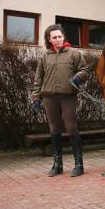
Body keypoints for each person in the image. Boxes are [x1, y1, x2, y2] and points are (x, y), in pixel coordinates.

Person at [32, 24, 89, 177]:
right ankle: (57, 165)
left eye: (59, 36)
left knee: (71, 128)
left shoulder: (73, 53)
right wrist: (36, 97)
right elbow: (38, 78)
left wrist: (78, 77)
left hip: (68, 96)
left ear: (63, 37)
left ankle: (79, 165)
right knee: (54, 129)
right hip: (49, 98)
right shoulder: (45, 56)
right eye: (54, 37)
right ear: (49, 40)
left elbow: (85, 70)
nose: (57, 39)